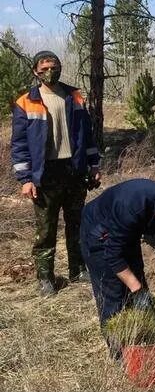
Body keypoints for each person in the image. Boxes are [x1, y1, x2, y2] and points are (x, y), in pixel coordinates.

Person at [10, 50, 101, 296]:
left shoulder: (74, 96)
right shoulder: (25, 102)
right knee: (46, 229)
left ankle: (78, 268)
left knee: (77, 223)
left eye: (54, 67)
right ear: (35, 72)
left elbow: (87, 135)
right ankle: (45, 277)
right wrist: (26, 179)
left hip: (73, 169)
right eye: (45, 69)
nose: (51, 72)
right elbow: (19, 145)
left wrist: (94, 165)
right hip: (45, 173)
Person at [80, 179, 155, 327]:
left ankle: (142, 342)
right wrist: (138, 292)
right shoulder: (131, 206)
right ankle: (118, 348)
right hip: (99, 232)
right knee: (114, 296)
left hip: (128, 230)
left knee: (137, 280)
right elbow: (113, 255)